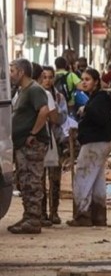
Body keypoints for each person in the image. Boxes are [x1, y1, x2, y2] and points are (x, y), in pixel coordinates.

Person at [9, 59, 51, 234]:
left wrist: (33, 133)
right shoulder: (22, 91)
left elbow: (44, 111)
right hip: (22, 145)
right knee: (24, 181)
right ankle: (28, 216)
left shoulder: (34, 90)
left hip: (32, 145)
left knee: (32, 181)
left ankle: (34, 219)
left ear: (21, 72)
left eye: (12, 71)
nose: (10, 74)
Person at [69, 68, 111, 227]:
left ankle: (83, 215)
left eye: (88, 79)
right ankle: (98, 215)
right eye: (82, 79)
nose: (84, 82)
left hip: (94, 142)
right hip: (101, 142)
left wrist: (86, 110)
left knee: (84, 176)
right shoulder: (97, 99)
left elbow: (99, 117)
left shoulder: (99, 100)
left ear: (96, 82)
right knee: (96, 179)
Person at [37, 66, 72, 227]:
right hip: (40, 140)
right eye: (44, 77)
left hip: (55, 140)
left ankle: (54, 212)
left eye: (50, 77)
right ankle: (42, 212)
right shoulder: (37, 95)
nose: (47, 80)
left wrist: (54, 115)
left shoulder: (58, 97)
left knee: (54, 178)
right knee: (39, 178)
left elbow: (62, 117)